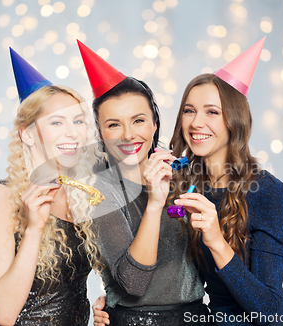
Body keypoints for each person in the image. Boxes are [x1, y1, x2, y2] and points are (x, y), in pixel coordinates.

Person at [169, 38, 283, 325]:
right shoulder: (184, 186)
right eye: (189, 110)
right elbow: (171, 271)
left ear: (235, 121)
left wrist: (217, 240)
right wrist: (116, 301)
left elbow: (268, 308)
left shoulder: (268, 193)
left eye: (212, 112)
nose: (196, 123)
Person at [77, 40, 210, 326]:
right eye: (113, 124)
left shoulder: (186, 175)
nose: (127, 135)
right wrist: (154, 204)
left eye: (138, 120)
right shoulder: (98, 190)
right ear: (101, 133)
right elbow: (134, 283)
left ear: (154, 124)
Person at [0, 48, 102, 326]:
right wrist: (34, 229)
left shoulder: (81, 195)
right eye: (57, 122)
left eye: (78, 121)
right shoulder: (0, 198)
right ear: (28, 134)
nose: (72, 132)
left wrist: (106, 304)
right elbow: (4, 314)